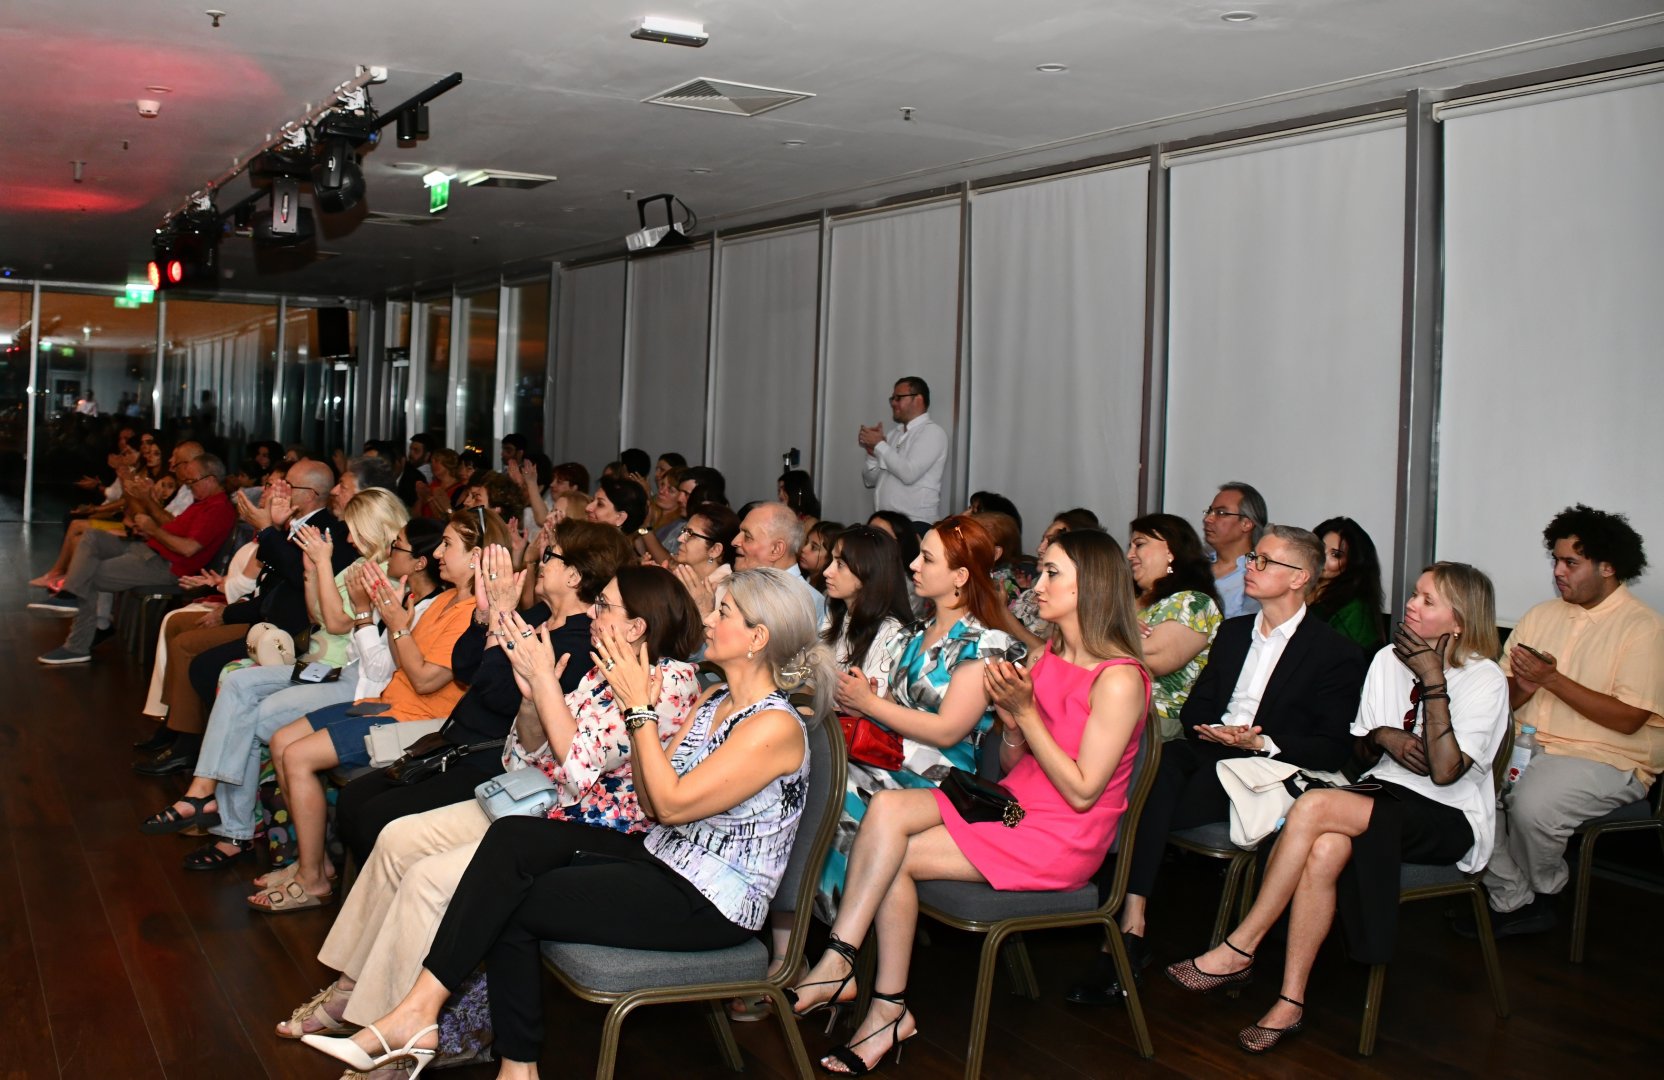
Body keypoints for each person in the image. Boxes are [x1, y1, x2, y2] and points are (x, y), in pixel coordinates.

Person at [300, 568, 832, 1078]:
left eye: (724, 612)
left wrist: (639, 709)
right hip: (663, 856)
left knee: (511, 900)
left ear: (757, 637)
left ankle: (499, 1058)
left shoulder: (775, 727)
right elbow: (652, 800)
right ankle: (430, 1018)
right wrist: (619, 708)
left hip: (713, 901)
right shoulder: (715, 698)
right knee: (513, 841)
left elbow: (667, 805)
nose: (709, 621)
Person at [277, 565, 704, 1039]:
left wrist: (544, 682)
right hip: (536, 801)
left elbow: (581, 768)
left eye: (604, 606)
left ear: (637, 626)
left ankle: (387, 1028)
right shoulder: (605, 672)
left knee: (429, 878)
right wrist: (530, 702)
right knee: (398, 838)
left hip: (591, 830)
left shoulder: (669, 682)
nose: (595, 615)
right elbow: (526, 751)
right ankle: (349, 987)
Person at [789, 530, 1151, 1073]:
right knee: (884, 813)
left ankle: (877, 999)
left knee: (890, 857)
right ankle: (847, 965)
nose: (1034, 584)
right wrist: (1011, 727)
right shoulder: (1053, 653)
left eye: (1052, 573)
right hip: (1011, 807)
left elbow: (1081, 791)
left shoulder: (1120, 678)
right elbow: (1015, 767)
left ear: (1090, 586)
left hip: (1061, 838)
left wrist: (1026, 715)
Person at [1167, 562, 1508, 1054]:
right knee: (1325, 848)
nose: (1410, 604)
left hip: (1447, 814)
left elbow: (1446, 771)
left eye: (1427, 600)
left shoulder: (1485, 678)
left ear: (1460, 620)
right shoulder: (1388, 660)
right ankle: (1290, 1000)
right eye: (1414, 594)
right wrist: (1381, 735)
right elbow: (1362, 754)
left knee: (1312, 807)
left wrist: (1434, 680)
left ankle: (1241, 946)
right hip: (1380, 794)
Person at [1070, 524, 1366, 1006]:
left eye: (1266, 561)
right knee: (1149, 771)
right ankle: (1132, 924)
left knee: (1141, 796)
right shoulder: (1231, 634)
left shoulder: (1334, 652)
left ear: (1300, 577)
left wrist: (1261, 739)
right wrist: (1216, 729)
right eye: (1254, 558)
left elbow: (1332, 748)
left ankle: (1124, 932)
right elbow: (1193, 710)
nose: (1252, 567)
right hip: (1212, 752)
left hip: (1270, 767)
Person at [332, 519, 637, 866]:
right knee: (353, 798)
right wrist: (485, 614)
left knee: (376, 815)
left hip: (493, 758)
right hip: (456, 742)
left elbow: (497, 695)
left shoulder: (578, 643)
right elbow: (464, 666)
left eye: (550, 555)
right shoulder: (540, 614)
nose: (540, 560)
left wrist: (502, 614)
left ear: (573, 576)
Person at [135, 491, 414, 869]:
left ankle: (232, 829)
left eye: (354, 531)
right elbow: (318, 614)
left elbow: (336, 624)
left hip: (356, 678)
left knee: (254, 712)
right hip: (332, 666)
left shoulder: (390, 575)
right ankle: (204, 789)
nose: (348, 539)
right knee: (236, 685)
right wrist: (314, 570)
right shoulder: (362, 564)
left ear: (374, 528)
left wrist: (324, 562)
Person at [248, 510, 499, 911]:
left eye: (448, 544)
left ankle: (312, 880)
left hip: (414, 721)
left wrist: (396, 623)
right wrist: (390, 618)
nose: (437, 552)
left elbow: (424, 680)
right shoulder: (444, 600)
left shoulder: (473, 615)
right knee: (282, 740)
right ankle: (312, 865)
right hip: (385, 703)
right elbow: (399, 662)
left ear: (476, 557)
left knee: (297, 757)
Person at [1457, 505, 1664, 939]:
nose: (1558, 571)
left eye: (1571, 562)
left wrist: (1551, 679)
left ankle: (1542, 892)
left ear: (1608, 567)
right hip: (1525, 746)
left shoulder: (1644, 628)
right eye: (1555, 559)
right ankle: (1515, 898)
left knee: (1534, 805)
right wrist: (1527, 688)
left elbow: (1629, 720)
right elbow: (1501, 698)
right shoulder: (1540, 615)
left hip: (1607, 757)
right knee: (1457, 785)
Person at [822, 514, 1017, 917]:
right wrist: (870, 700)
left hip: (940, 775)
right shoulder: (916, 632)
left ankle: (838, 933)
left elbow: (948, 731)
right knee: (811, 780)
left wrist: (872, 705)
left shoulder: (984, 642)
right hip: (893, 756)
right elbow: (895, 706)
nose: (913, 565)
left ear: (960, 575)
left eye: (927, 559)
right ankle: (809, 929)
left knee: (839, 796)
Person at [135, 458, 356, 772]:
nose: (279, 490)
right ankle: (175, 727)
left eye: (287, 485)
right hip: (265, 615)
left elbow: (293, 577)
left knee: (198, 656)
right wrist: (273, 529)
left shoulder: (325, 529)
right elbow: (269, 581)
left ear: (309, 495)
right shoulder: (300, 524)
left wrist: (268, 530)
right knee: (177, 625)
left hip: (288, 630)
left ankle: (193, 743)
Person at [35, 453, 236, 666]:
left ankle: (76, 646)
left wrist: (153, 530)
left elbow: (188, 549)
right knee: (92, 536)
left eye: (192, 481)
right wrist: (149, 528)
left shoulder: (217, 509)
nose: (188, 486)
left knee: (88, 574)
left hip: (167, 567)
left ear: (211, 480)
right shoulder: (201, 503)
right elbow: (173, 529)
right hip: (150, 550)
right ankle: (70, 595)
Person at [1127, 513, 1223, 742]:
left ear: (1170, 550)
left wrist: (1112, 630)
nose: (1130, 555)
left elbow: (1156, 659)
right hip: (1111, 707)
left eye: (1139, 544)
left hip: (1156, 720)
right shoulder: (1128, 600)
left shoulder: (1193, 601)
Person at [860, 376, 948, 528]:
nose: (893, 403)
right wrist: (872, 454)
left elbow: (909, 473)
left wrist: (880, 444)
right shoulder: (894, 434)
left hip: (914, 524)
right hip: (886, 523)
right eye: (892, 398)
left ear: (918, 399)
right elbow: (870, 481)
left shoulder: (933, 432)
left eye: (898, 398)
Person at [1010, 508, 1101, 642]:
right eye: (1043, 540)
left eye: (1051, 542)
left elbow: (1043, 651)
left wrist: (1001, 612)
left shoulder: (1073, 607)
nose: (1040, 549)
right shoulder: (1031, 590)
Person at [734, 501, 826, 624]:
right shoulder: (746, 586)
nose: (735, 541)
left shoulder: (806, 604)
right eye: (739, 533)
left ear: (776, 549)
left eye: (747, 536)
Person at [1310, 516, 1387, 650]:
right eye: (1320, 548)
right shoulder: (1298, 588)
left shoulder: (1354, 609)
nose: (1322, 558)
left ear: (1352, 563)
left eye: (1336, 555)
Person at [1203, 482, 1268, 619]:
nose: (1208, 519)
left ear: (1246, 524)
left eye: (1221, 513)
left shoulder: (1258, 573)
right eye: (1209, 511)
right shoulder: (1196, 563)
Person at [669, 504, 740, 618]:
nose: (680, 538)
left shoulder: (725, 591)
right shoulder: (683, 576)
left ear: (714, 550)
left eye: (690, 534)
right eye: (684, 531)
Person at [799, 519, 842, 592]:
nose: (804, 549)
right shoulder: (804, 578)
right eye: (806, 542)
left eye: (814, 547)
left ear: (830, 557)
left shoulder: (829, 594)